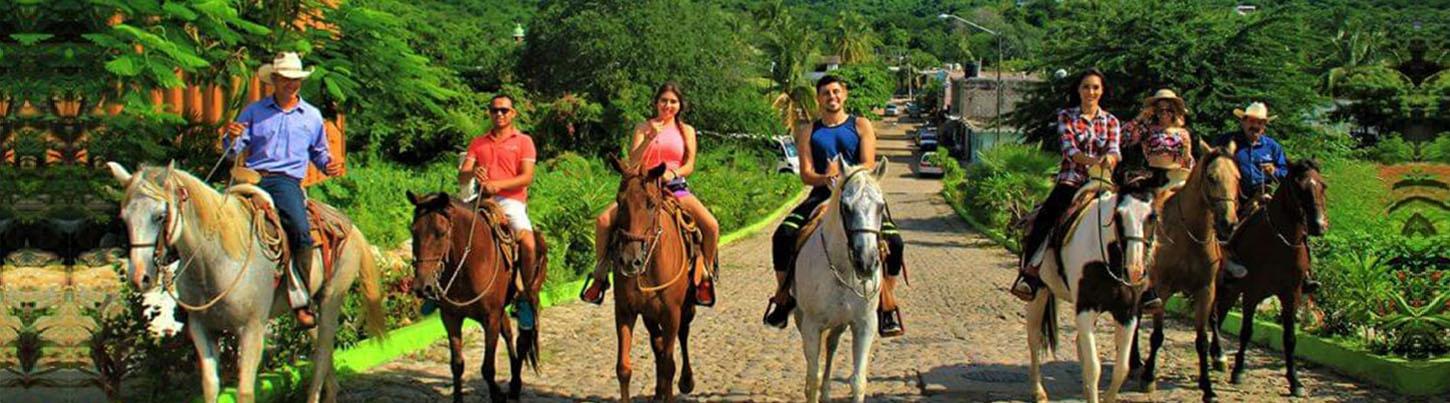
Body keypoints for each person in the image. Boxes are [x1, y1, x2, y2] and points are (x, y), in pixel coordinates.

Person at [763, 75, 908, 337]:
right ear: (819, 99)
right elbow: (806, 174)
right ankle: (783, 296)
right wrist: (826, 178)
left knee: (895, 243)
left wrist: (844, 176)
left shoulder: (861, 125)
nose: (832, 97)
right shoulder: (809, 131)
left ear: (845, 95)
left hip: (858, 194)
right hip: (822, 194)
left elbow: (868, 163)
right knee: (783, 235)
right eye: (826, 93)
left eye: (836, 92)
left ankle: (886, 302)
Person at [223, 52, 343, 329]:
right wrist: (231, 137)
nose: (291, 84)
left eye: (296, 80)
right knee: (212, 217)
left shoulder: (311, 116)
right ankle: (191, 292)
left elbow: (319, 154)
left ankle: (301, 300)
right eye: (286, 79)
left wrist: (330, 166)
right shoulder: (254, 111)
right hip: (251, 176)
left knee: (300, 231)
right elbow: (232, 152)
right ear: (274, 80)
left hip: (286, 181)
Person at [579, 82, 720, 306]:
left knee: (711, 225)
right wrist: (649, 137)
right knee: (604, 220)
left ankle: (705, 275)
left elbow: (690, 164)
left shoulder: (687, 131)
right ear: (656, 103)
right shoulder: (643, 127)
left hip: (674, 187)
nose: (668, 105)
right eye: (664, 100)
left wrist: (672, 173)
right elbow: (633, 162)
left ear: (680, 105)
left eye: (673, 102)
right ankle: (601, 273)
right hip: (642, 187)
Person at [1010, 68, 1121, 302]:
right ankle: (1030, 272)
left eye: (1095, 87)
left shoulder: (1111, 121)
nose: (1091, 92)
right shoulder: (1066, 117)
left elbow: (1114, 150)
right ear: (1078, 90)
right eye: (1086, 87)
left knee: (1133, 218)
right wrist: (1093, 161)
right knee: (1046, 218)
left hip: (1103, 183)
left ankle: (1138, 279)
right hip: (1072, 180)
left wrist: (1108, 160)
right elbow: (1070, 150)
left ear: (1102, 91)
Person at [1211, 102, 1318, 292]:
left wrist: (1274, 170)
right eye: (1252, 121)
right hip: (1236, 195)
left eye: (1260, 123)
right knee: (1225, 224)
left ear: (1264, 126)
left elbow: (1287, 172)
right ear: (1243, 121)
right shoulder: (1227, 141)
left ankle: (1305, 272)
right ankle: (1223, 263)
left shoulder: (1272, 147)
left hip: (1266, 194)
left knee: (1297, 223)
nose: (1256, 126)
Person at [458, 94, 542, 329]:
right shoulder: (478, 142)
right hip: (480, 199)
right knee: (448, 228)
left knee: (527, 241)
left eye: (504, 110)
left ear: (513, 113)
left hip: (511, 201)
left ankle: (524, 296)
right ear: (489, 113)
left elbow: (526, 177)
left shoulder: (524, 141)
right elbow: (462, 174)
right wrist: (472, 173)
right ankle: (439, 290)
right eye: (495, 110)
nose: (499, 114)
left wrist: (497, 185)